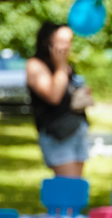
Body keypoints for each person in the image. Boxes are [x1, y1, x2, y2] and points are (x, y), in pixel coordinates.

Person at [26, 22, 92, 177]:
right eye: (61, 41)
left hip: (77, 129)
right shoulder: (36, 65)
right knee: (67, 190)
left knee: (77, 188)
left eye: (69, 41)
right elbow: (53, 96)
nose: (67, 46)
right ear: (47, 42)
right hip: (57, 134)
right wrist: (61, 67)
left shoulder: (66, 66)